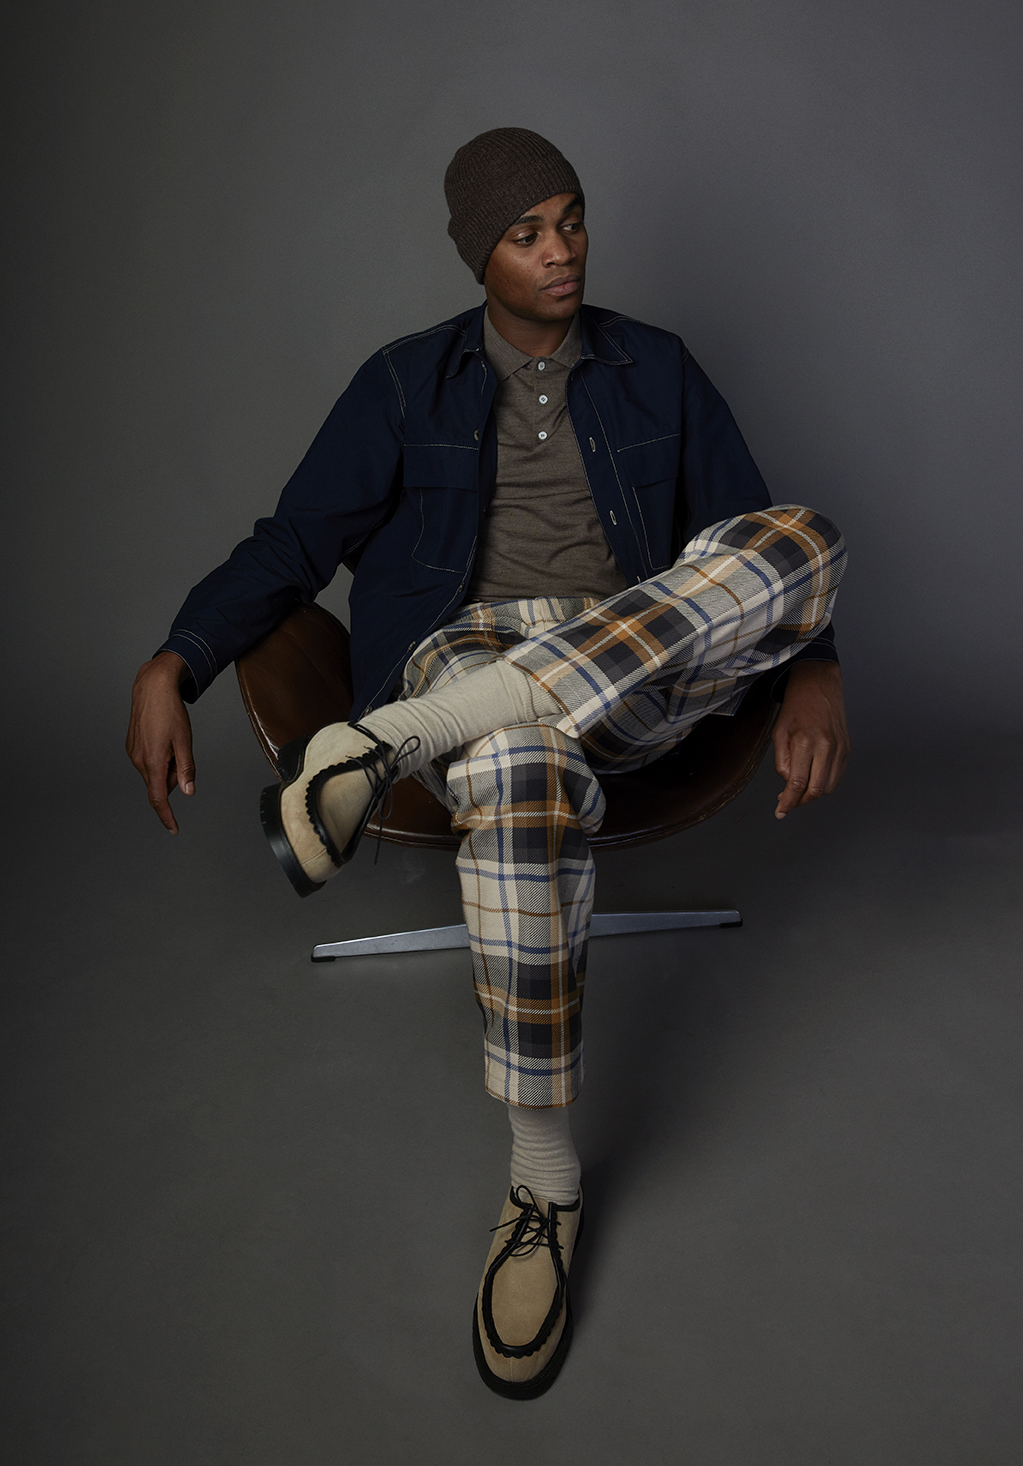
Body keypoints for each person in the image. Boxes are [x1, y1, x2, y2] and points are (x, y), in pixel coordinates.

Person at [127, 128, 850, 1399]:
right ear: (479, 255)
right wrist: (173, 660)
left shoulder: (657, 366)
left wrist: (814, 671)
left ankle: (390, 746)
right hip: (461, 647)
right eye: (526, 233)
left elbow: (753, 543)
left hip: (629, 658)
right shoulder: (404, 384)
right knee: (516, 759)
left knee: (805, 539)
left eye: (571, 219)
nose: (560, 250)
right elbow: (292, 545)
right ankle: (541, 1184)